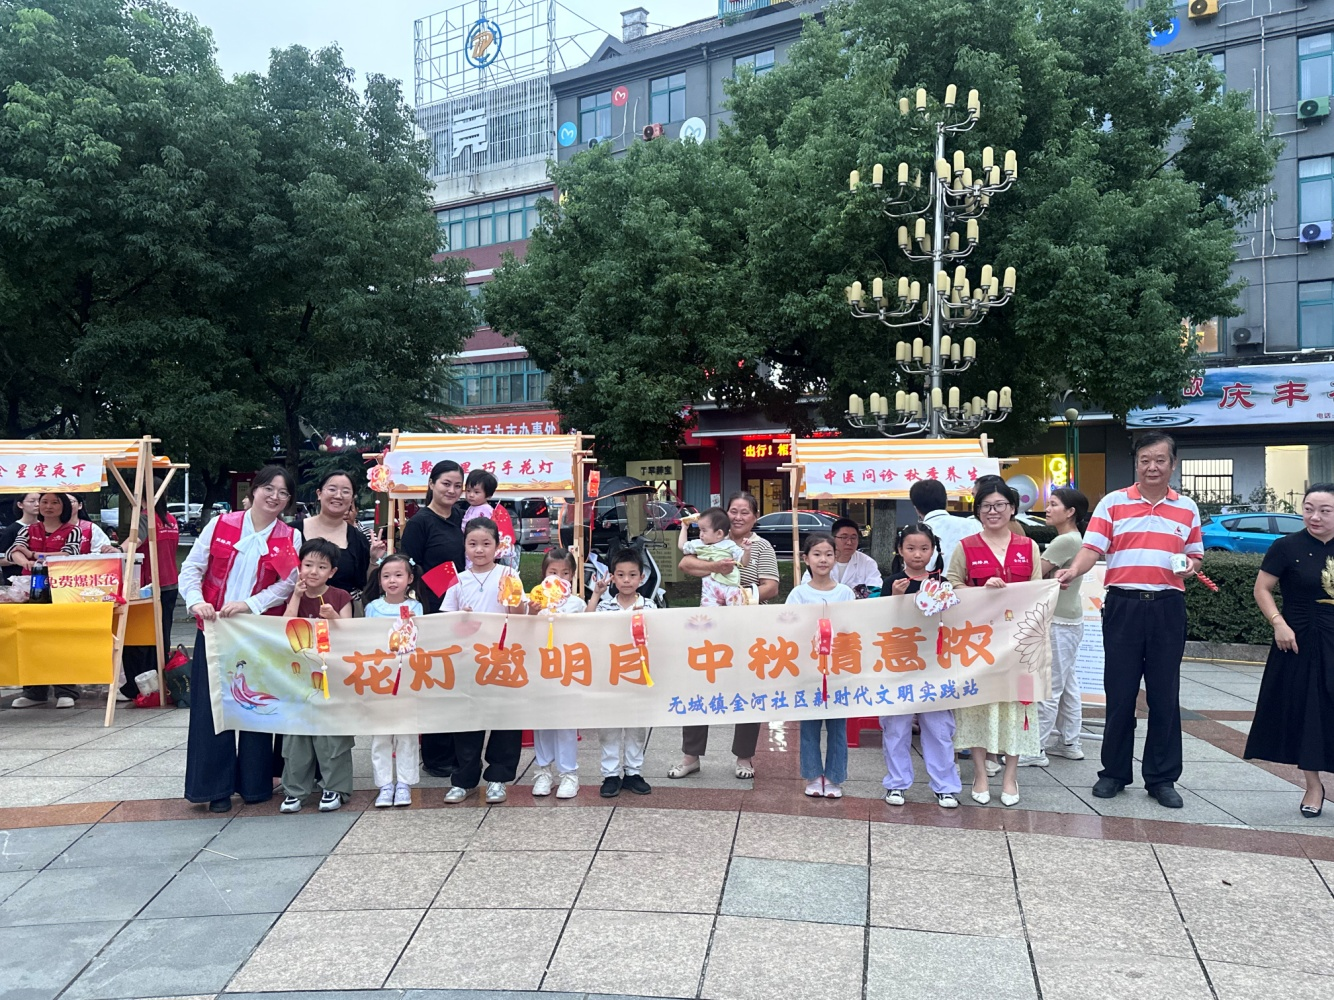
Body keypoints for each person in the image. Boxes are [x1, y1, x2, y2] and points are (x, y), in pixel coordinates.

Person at [1056, 432, 1203, 809]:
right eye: (1144, 460)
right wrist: (1072, 570)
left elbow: (1195, 555)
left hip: (1168, 606)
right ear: (1135, 463)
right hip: (1124, 605)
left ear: (1173, 464)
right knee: (1120, 693)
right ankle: (1114, 773)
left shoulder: (1187, 508)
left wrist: (1190, 566)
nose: (1152, 467)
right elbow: (1092, 548)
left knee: (1164, 695)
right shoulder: (1113, 503)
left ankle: (1162, 778)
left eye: (1160, 460)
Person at [180, 466, 301, 813]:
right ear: (254, 490)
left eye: (283, 493)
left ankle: (255, 784)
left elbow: (288, 583)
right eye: (269, 488)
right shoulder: (221, 525)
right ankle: (214, 788)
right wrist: (196, 601)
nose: (274, 497)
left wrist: (251, 604)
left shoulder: (289, 537)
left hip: (256, 631)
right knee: (211, 708)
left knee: (256, 705)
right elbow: (192, 568)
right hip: (214, 629)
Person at [947, 479, 1042, 806]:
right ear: (977, 512)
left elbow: (1037, 590)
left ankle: (1011, 776)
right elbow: (952, 585)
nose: (993, 511)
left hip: (1018, 643)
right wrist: (980, 591)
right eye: (986, 506)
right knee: (977, 705)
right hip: (978, 641)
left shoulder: (1028, 546)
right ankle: (980, 774)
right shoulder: (966, 546)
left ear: (1012, 508)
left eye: (1000, 505)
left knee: (1016, 706)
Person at [673, 491, 780, 779]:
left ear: (755, 517)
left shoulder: (761, 546)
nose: (738, 517)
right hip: (710, 627)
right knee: (699, 684)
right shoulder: (711, 537)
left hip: (748, 627)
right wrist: (716, 567)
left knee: (748, 689)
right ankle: (690, 756)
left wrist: (740, 598)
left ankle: (744, 757)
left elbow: (771, 587)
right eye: (734, 511)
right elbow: (685, 564)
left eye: (745, 512)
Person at [1246, 484, 1334, 818]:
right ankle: (1313, 786)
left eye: (1325, 511)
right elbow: (1262, 589)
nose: (1315, 517)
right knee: (1306, 711)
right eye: (1309, 509)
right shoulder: (1286, 547)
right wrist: (1278, 623)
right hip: (1299, 639)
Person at [440, 516, 525, 804]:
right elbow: (446, 622)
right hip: (467, 659)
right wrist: (459, 618)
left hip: (502, 658)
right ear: (464, 546)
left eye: (486, 544)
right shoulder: (457, 579)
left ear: (497, 546)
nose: (479, 550)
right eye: (473, 544)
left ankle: (498, 778)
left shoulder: (508, 575)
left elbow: (519, 616)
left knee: (504, 719)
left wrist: (515, 602)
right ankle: (463, 779)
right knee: (467, 719)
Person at [881, 523, 961, 809]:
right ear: (900, 550)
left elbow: (952, 621)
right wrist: (895, 598)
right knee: (896, 727)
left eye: (924, 548)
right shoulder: (892, 582)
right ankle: (896, 783)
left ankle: (946, 786)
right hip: (899, 663)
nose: (918, 554)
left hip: (934, 666)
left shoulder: (942, 583)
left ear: (933, 550)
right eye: (911, 548)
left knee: (939, 728)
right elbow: (880, 622)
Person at [399, 460, 466, 776]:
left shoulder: (462, 517)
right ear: (431, 483)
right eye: (446, 484)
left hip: (462, 612)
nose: (452, 490)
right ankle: (436, 756)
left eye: (457, 485)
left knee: (459, 681)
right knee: (437, 681)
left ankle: (459, 751)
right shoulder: (419, 523)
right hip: (432, 611)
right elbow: (409, 569)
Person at [279, 538, 354, 813]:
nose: (313, 571)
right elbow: (283, 629)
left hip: (331, 674)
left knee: (331, 733)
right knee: (296, 735)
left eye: (322, 567)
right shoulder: (293, 595)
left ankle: (335, 787)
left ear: (332, 572)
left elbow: (350, 633)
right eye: (308, 565)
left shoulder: (340, 596)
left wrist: (332, 616)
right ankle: (295, 789)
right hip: (299, 676)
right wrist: (297, 597)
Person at [1019, 487, 1091, 768]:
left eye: (1053, 504)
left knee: (1049, 685)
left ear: (1070, 512)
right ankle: (1070, 742)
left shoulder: (1065, 541)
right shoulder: (1075, 538)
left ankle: (1034, 748)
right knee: (1067, 683)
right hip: (1069, 619)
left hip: (1058, 620)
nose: (1047, 509)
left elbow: (1032, 573)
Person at [785, 533, 856, 798]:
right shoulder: (799, 594)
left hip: (838, 669)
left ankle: (835, 778)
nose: (823, 559)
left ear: (836, 558)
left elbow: (853, 627)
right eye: (816, 554)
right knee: (809, 726)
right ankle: (813, 776)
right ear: (806, 559)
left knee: (838, 727)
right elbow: (789, 627)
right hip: (809, 669)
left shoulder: (845, 592)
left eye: (828, 554)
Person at [7, 493, 86, 709]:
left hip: (61, 589)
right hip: (31, 590)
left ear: (64, 507)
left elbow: (67, 555)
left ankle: (66, 690)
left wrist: (32, 555)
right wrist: (25, 560)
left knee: (60, 639)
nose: (48, 506)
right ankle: (34, 691)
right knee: (31, 639)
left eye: (54, 502)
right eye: (44, 502)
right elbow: (14, 552)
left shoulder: (73, 530)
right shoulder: (28, 529)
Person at [588, 547, 655, 798]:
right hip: (610, 675)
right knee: (609, 727)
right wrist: (596, 595)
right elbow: (584, 625)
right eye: (621, 575)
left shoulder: (650, 606)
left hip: (639, 675)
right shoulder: (604, 607)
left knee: (637, 726)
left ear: (642, 578)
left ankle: (633, 772)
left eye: (632, 575)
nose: (627, 580)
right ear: (612, 577)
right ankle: (610, 774)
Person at [364, 553, 424, 808]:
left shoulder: (416, 607)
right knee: (380, 734)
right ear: (379, 579)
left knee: (406, 733)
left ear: (409, 578)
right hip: (379, 676)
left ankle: (404, 784)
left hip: (407, 675)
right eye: (386, 576)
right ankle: (384, 784)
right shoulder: (372, 608)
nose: (392, 581)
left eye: (398, 575)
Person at [528, 547, 585, 799]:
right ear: (544, 574)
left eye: (565, 573)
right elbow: (524, 631)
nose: (559, 577)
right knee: (542, 721)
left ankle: (569, 773)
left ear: (572, 575)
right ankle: (543, 770)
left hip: (567, 669)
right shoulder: (534, 600)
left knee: (565, 722)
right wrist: (532, 611)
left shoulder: (576, 604)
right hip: (540, 668)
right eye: (553, 572)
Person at [119, 482, 182, 700]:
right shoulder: (170, 519)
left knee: (141, 638)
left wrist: (115, 549)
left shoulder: (145, 517)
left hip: (148, 586)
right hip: (170, 583)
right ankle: (161, 683)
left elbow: (135, 541)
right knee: (162, 636)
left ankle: (140, 686)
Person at [296, 471, 381, 603]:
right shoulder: (293, 531)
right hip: (296, 608)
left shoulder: (359, 539)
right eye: (332, 489)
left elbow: (366, 584)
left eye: (346, 492)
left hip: (343, 611)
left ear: (352, 499)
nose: (338, 496)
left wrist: (374, 560)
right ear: (319, 493)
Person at [678, 507, 751, 606]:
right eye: (700, 530)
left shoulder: (729, 545)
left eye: (704, 531)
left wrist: (747, 550)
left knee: (735, 610)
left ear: (719, 533)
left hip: (730, 585)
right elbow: (682, 546)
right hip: (709, 588)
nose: (700, 534)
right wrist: (684, 528)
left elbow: (744, 562)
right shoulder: (698, 544)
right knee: (709, 612)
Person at [802, 517, 882, 597]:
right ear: (833, 538)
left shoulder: (867, 563)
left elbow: (876, 591)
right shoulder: (822, 562)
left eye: (853, 538)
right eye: (844, 537)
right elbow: (807, 589)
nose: (849, 542)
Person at [910, 479, 972, 572]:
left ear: (916, 509)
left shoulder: (913, 534)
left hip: (930, 581)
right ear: (946, 502)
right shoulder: (973, 524)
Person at [0, 492, 40, 582]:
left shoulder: (47, 527)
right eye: (32, 501)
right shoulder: (11, 531)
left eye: (40, 501)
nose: (37, 504)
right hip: (17, 581)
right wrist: (20, 560)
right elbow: (1, 559)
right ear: (20, 505)